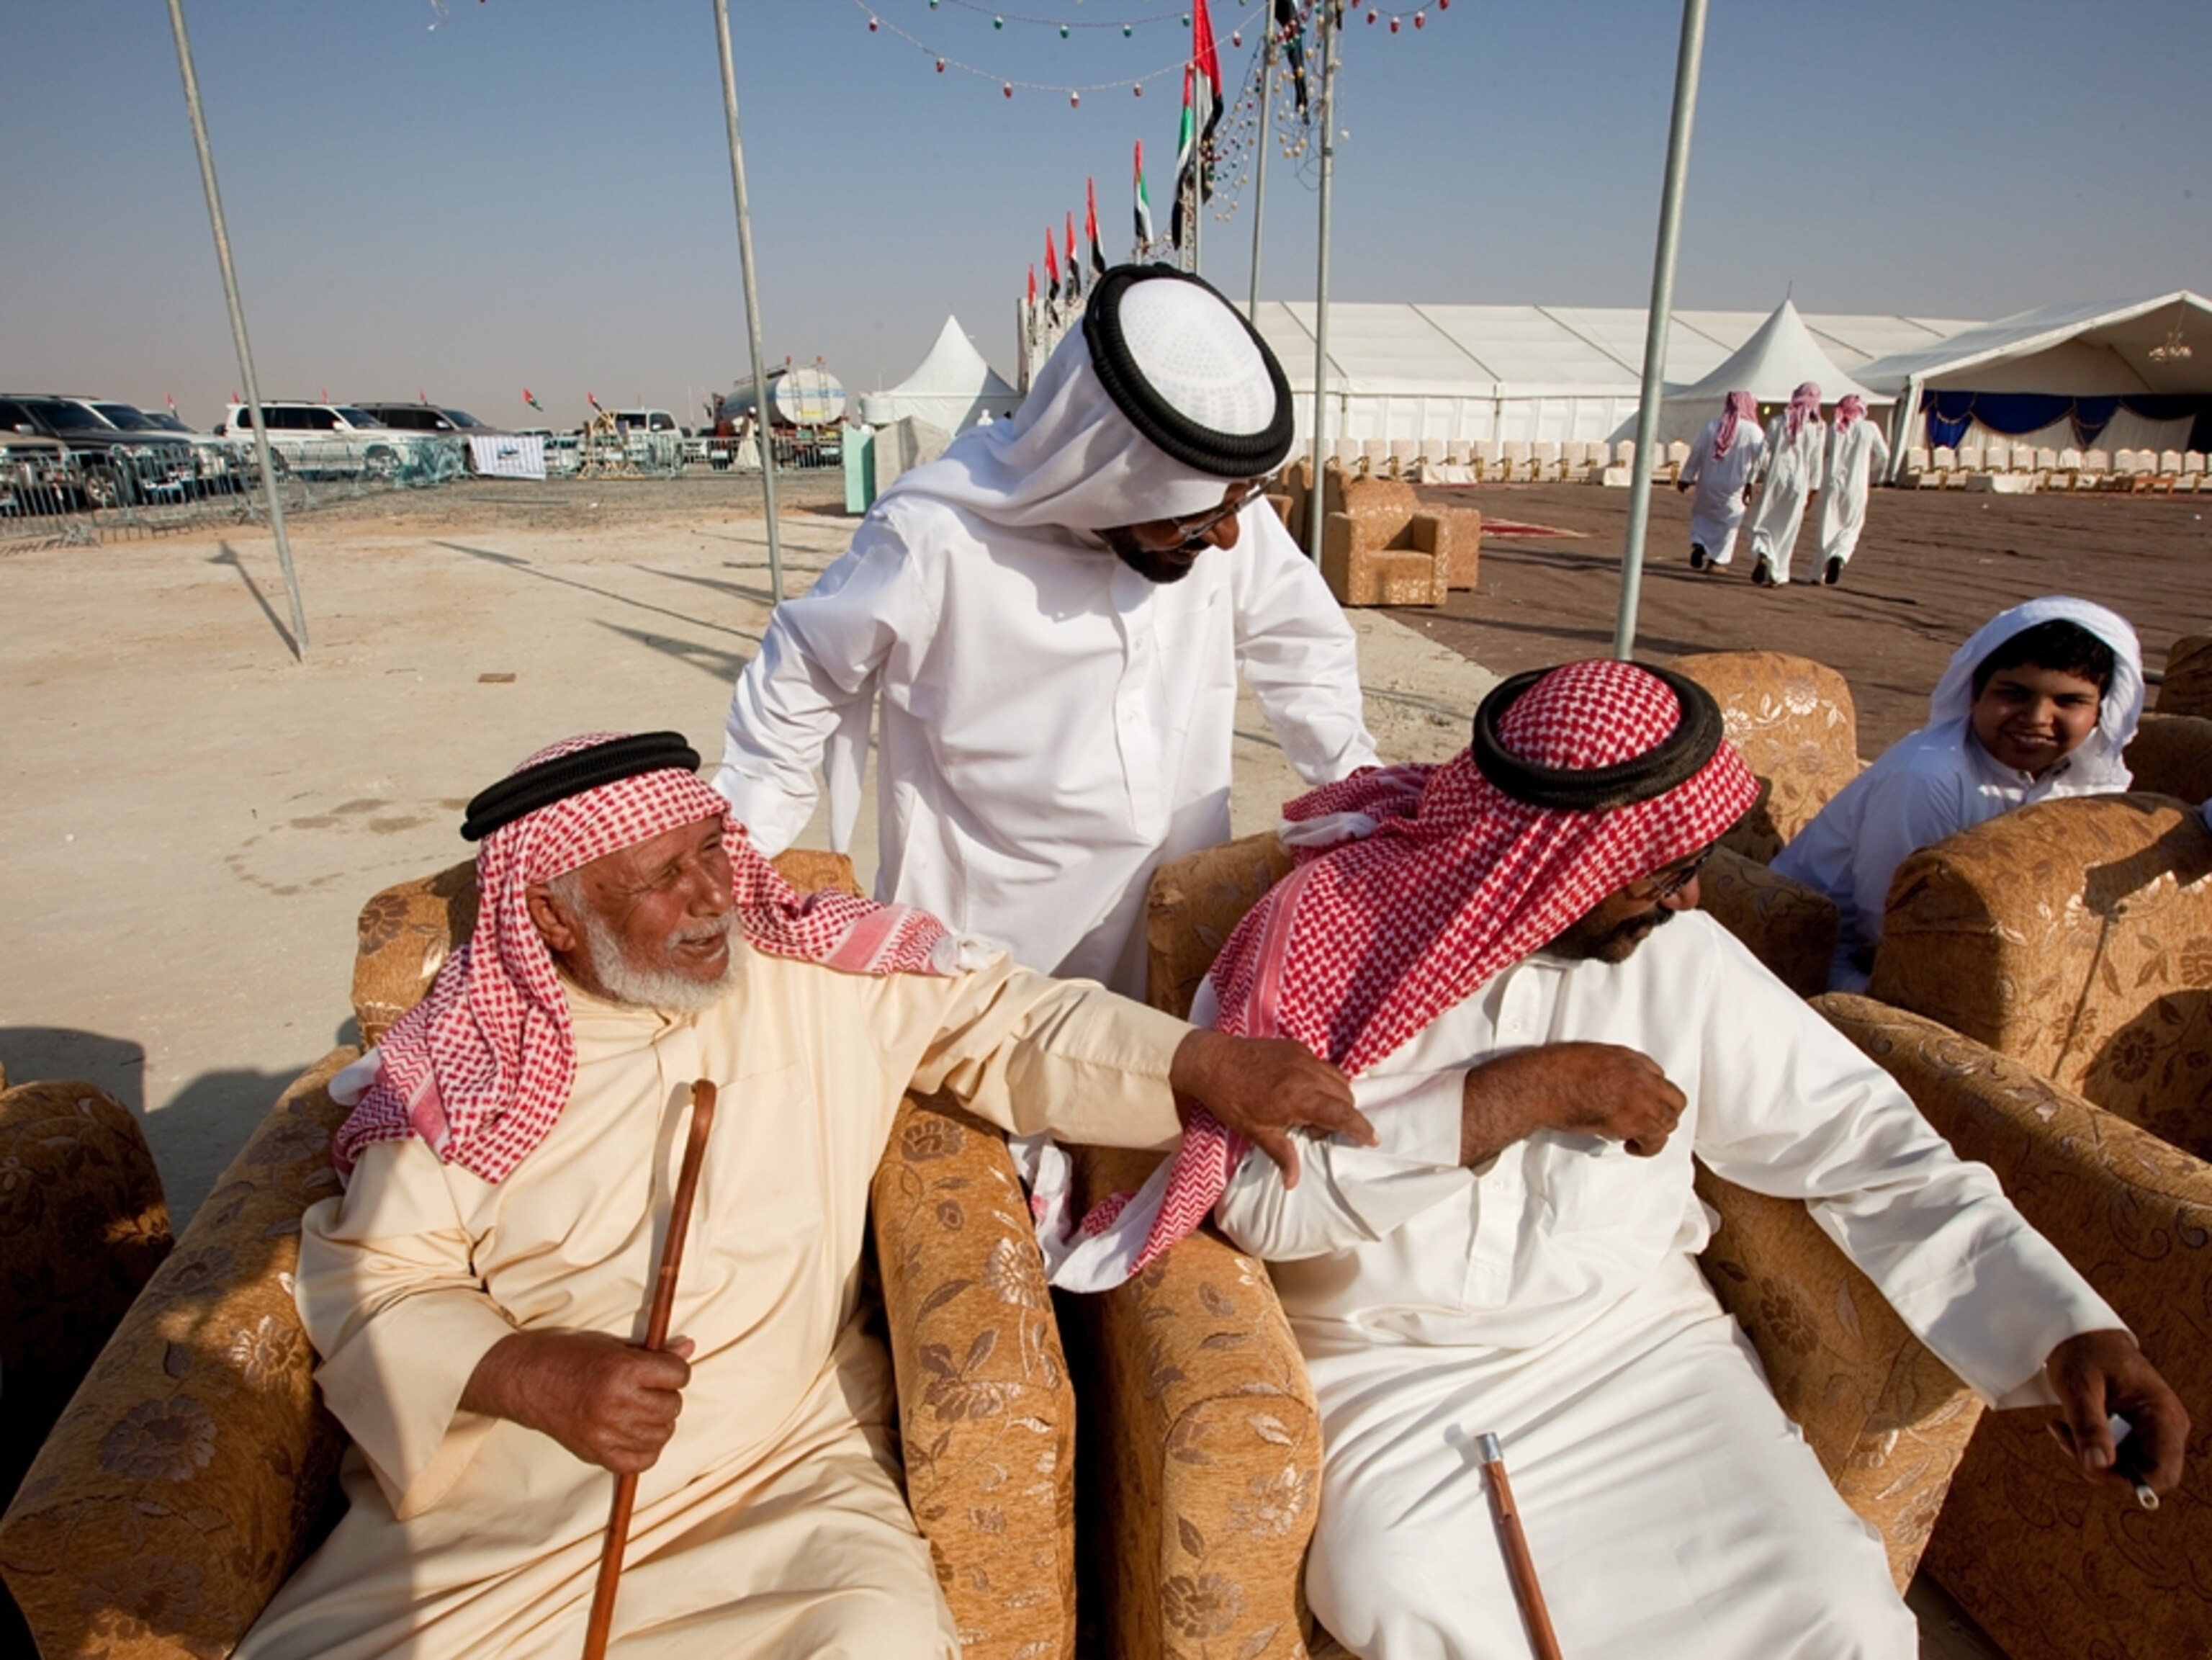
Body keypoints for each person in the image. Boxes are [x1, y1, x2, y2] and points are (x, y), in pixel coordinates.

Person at [1128, 660, 2183, 1660]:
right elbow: (1264, 1208)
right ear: (1554, 860)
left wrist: (2065, 1325)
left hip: (1642, 1358)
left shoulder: (1683, 957)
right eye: (1666, 872)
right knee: (1407, 1595)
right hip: (1398, 1380)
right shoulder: (1324, 935)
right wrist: (1512, 1094)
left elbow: (1869, 1149)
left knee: (1836, 1611)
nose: (1686, 900)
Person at [236, 730, 1368, 1660]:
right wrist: (532, 1372)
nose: (711, 897)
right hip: (522, 1510)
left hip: (781, 1472)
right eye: (659, 879)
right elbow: (376, 1276)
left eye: (711, 856)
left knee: (871, 1635)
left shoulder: (817, 979)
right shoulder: (473, 1063)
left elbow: (1018, 1023)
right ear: (551, 919)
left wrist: (1205, 1064)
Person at [714, 265, 1376, 995]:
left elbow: (1302, 643)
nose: (1223, 537)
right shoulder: (935, 538)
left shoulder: (1218, 520)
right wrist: (735, 843)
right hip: (992, 943)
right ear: (1104, 474)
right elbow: (802, 674)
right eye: (1192, 515)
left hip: (1166, 914)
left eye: (1235, 507)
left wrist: (1356, 787)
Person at [1774, 596, 2144, 991]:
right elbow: (1887, 923)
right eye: (2014, 694)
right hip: (1843, 957)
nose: (2037, 719)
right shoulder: (1926, 779)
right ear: (1975, 694)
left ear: (2100, 711)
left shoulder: (2088, 780)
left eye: (2069, 701)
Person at [1675, 390, 1765, 571]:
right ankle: (1716, 561)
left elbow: (1697, 453)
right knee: (1728, 522)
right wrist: (1752, 481)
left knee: (1703, 516)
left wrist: (1686, 478)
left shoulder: (1712, 426)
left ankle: (1699, 543)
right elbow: (1762, 459)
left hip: (1707, 482)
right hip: (1734, 485)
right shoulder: (1753, 431)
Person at [1747, 380, 1825, 586]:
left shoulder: (1777, 422)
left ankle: (1763, 552)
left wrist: (1750, 480)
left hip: (1775, 478)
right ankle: (1777, 573)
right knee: (1788, 527)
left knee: (1762, 520)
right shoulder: (1818, 428)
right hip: (1800, 481)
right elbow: (1816, 460)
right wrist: (1813, 490)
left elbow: (1762, 452)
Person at [1815, 394, 1891, 585]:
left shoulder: (1834, 429)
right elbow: (1884, 455)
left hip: (1831, 483)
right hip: (1856, 485)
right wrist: (1869, 469)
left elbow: (1822, 455)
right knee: (1852, 526)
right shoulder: (1870, 428)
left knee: (1827, 526)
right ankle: (1839, 556)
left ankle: (1818, 574)